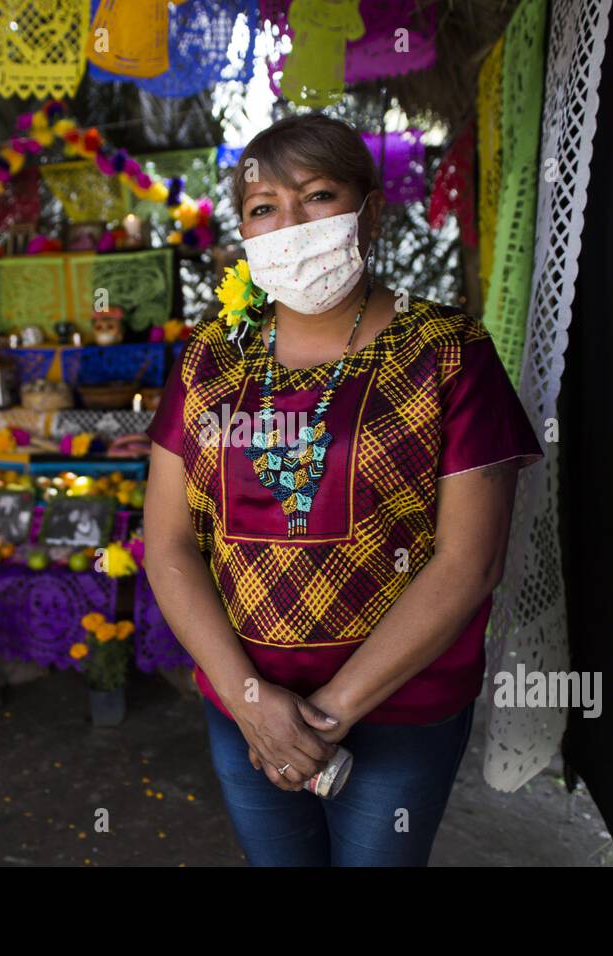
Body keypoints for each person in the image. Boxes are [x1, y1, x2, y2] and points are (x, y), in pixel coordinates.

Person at [144, 113, 544, 866]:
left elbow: (469, 562)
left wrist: (323, 718)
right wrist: (254, 705)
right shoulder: (210, 359)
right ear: (244, 231)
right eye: (264, 208)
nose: (289, 224)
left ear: (371, 212)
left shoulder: (449, 353)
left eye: (318, 196)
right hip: (243, 706)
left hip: (399, 710)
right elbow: (166, 545)